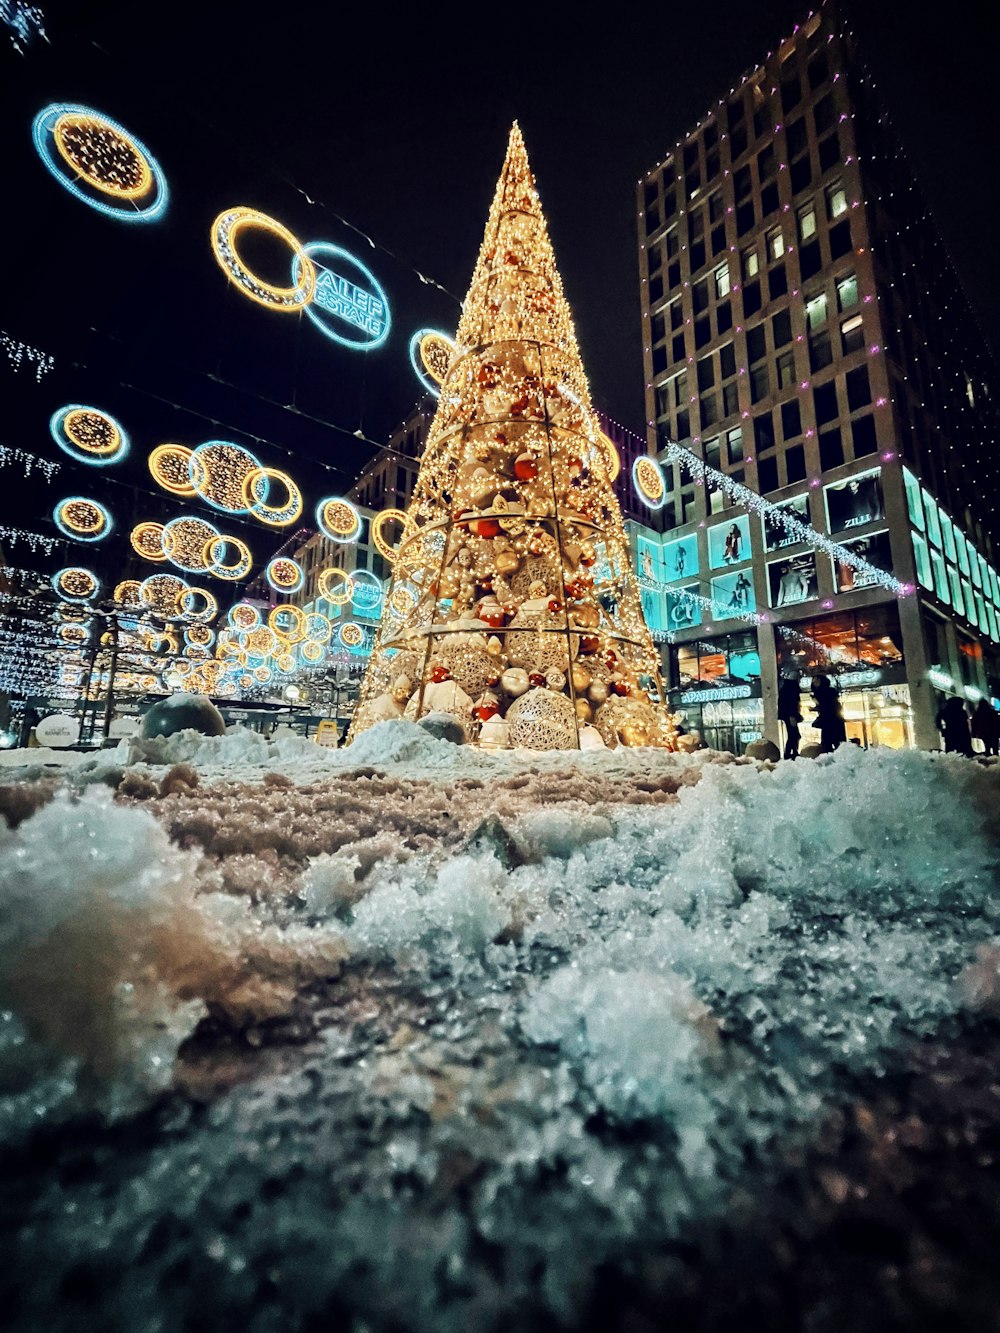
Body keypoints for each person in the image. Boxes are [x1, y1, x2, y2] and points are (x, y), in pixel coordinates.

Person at [811, 674, 847, 753]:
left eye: (817, 679)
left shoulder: (827, 692)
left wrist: (817, 705)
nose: (814, 682)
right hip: (829, 721)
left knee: (831, 743)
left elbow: (828, 706)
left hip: (831, 721)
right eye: (814, 680)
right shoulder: (821, 693)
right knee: (829, 744)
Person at [777, 673, 802, 760]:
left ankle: (791, 752)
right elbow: (791, 704)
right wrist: (792, 715)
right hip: (790, 716)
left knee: (793, 735)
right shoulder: (791, 688)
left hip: (788, 715)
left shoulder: (786, 688)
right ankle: (789, 753)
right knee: (794, 735)